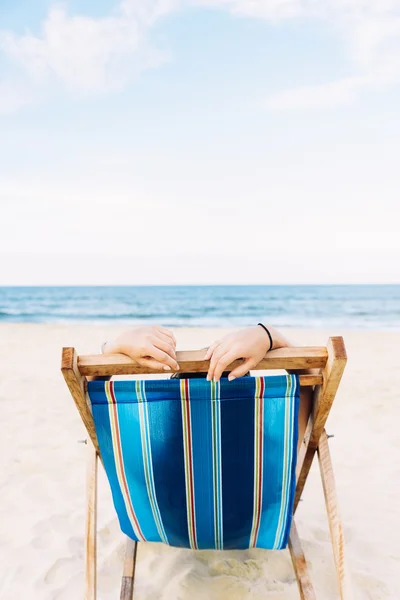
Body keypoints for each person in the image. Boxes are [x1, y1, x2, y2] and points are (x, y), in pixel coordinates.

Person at [101, 324, 312, 451]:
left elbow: (93, 399)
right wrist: (268, 334)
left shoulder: (146, 460)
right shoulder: (275, 454)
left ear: (173, 412)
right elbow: (310, 387)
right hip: (262, 526)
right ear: (249, 410)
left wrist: (114, 346)